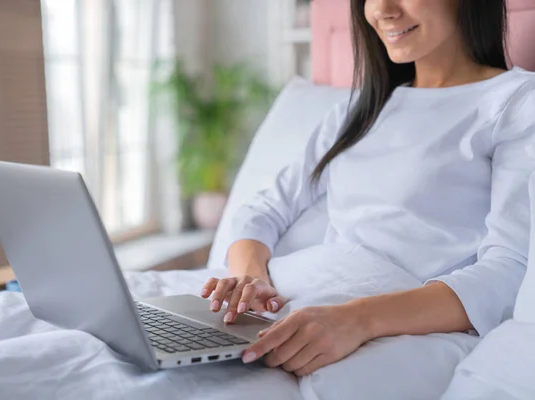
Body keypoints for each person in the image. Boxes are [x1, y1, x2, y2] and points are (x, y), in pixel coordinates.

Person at [200, 0, 535, 377]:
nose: (381, 9)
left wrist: (356, 321)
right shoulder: (359, 110)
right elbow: (263, 210)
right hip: (296, 303)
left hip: (387, 326)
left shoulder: (514, 104)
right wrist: (250, 280)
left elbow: (510, 272)